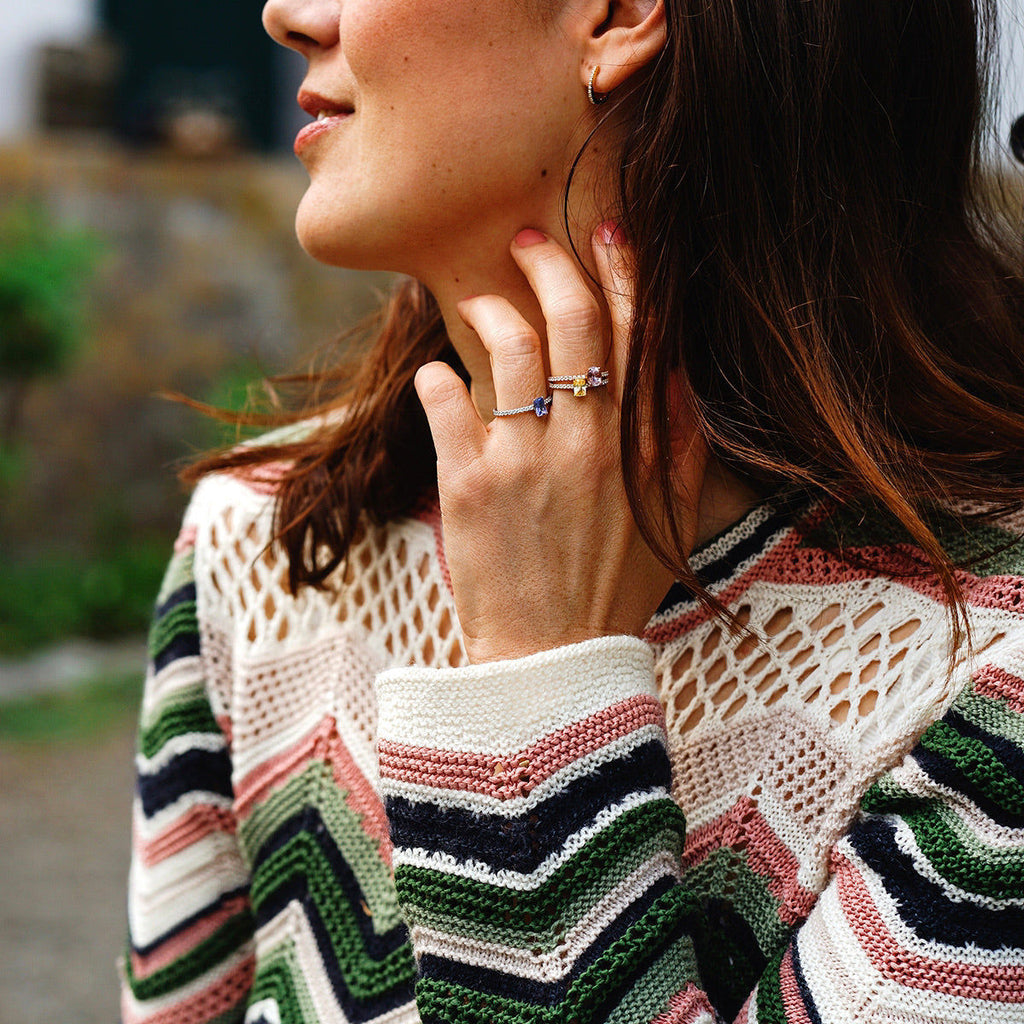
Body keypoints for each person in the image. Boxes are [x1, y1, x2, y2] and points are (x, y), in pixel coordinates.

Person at [120, 0, 1024, 1021]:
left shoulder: (987, 667)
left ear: (617, 13)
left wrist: (539, 697)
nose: (286, 14)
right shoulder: (264, 537)